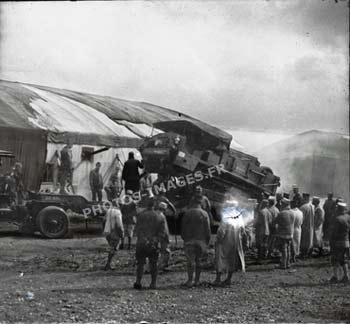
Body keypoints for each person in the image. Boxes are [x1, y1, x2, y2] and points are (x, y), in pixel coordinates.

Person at [133, 198, 169, 289]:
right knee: (153, 263)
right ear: (155, 206)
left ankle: (138, 282)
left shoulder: (141, 215)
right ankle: (153, 283)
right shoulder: (160, 216)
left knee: (140, 263)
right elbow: (163, 232)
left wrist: (144, 238)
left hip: (142, 242)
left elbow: (136, 230)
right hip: (154, 243)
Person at [213, 199, 245, 286]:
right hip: (236, 241)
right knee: (232, 259)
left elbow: (221, 231)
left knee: (220, 258)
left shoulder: (226, 216)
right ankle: (229, 279)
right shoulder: (239, 216)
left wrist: (218, 240)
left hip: (225, 240)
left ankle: (218, 278)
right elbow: (242, 229)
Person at [181, 199, 211, 288]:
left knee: (190, 261)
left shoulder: (187, 213)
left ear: (192, 203)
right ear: (200, 204)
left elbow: (183, 228)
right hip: (201, 241)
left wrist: (185, 239)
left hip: (189, 241)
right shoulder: (205, 214)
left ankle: (190, 280)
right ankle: (197, 280)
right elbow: (208, 229)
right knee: (199, 261)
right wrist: (207, 242)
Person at [329, 203, 350, 284]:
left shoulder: (337, 219)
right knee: (343, 260)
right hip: (346, 242)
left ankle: (335, 277)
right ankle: (346, 276)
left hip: (338, 243)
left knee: (334, 260)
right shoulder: (348, 217)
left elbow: (334, 233)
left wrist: (331, 241)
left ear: (339, 209)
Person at [274, 198, 295, 269]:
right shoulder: (292, 213)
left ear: (284, 204)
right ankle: (288, 263)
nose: (281, 205)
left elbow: (276, 222)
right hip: (290, 233)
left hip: (283, 234)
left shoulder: (282, 213)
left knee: (284, 249)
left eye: (282, 203)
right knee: (288, 248)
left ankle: (283, 264)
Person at [103, 201, 124, 271]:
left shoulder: (108, 211)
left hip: (107, 231)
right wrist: (122, 234)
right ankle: (108, 264)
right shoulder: (118, 212)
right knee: (114, 249)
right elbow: (119, 225)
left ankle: (109, 264)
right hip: (114, 232)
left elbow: (104, 220)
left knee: (111, 248)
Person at [154, 201, 171, 271]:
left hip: (154, 235)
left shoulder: (154, 214)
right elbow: (164, 228)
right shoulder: (162, 216)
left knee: (156, 251)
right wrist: (167, 237)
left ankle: (154, 265)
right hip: (162, 236)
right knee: (166, 251)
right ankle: (162, 265)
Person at [255, 199, 271, 264]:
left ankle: (259, 259)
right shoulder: (268, 212)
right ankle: (264, 257)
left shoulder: (261, 212)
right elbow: (270, 221)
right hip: (267, 230)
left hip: (261, 230)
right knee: (265, 244)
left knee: (260, 245)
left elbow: (258, 222)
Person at [300, 193, 315, 258]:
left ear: (305, 198)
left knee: (304, 239)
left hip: (305, 225)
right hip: (311, 225)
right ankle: (309, 252)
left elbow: (301, 219)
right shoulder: (312, 206)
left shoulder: (303, 207)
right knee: (309, 239)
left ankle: (304, 253)